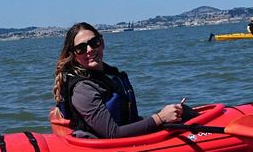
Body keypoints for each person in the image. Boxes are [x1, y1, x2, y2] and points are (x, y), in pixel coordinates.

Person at [52, 22, 191, 139]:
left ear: (102, 43)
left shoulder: (109, 74)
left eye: (94, 42)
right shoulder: (82, 89)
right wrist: (160, 118)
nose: (89, 50)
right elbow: (112, 133)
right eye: (81, 48)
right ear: (74, 55)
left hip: (129, 137)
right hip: (110, 148)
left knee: (183, 111)